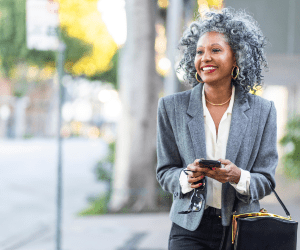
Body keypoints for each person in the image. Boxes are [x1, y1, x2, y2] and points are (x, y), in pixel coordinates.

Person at [156, 7, 278, 250]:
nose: (205, 58)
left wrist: (237, 177)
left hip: (242, 227)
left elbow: (266, 179)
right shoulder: (172, 107)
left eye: (216, 50)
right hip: (188, 227)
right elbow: (164, 171)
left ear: (236, 58)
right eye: (199, 52)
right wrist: (185, 178)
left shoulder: (263, 111)